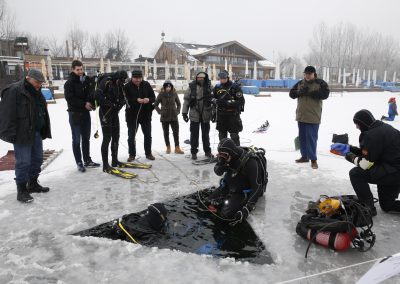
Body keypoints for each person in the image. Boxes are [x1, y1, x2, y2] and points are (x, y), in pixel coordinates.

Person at [330, 109, 400, 215]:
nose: (356, 127)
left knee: (355, 173)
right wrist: (350, 148)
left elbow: (365, 164)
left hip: (391, 172)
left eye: (357, 124)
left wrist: (348, 155)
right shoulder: (383, 128)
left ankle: (367, 208)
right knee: (387, 206)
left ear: (362, 123)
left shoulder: (371, 135)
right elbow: (372, 153)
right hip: (393, 170)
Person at [0, 70, 51, 203]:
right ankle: (21, 190)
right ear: (28, 78)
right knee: (23, 162)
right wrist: (9, 134)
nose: (39, 85)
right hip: (21, 134)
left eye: (40, 83)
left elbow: (41, 110)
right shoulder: (14, 90)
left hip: (36, 132)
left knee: (38, 159)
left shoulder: (36, 91)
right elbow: (6, 114)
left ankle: (32, 183)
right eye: (37, 82)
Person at [206, 138, 268, 226]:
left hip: (243, 192)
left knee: (225, 215)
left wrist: (248, 208)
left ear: (231, 153)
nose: (222, 158)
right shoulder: (225, 155)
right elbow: (217, 170)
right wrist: (221, 166)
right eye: (220, 155)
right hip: (229, 185)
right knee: (209, 201)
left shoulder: (250, 162)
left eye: (225, 156)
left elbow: (257, 186)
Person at [289, 66, 330, 169]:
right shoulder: (300, 83)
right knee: (302, 138)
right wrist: (299, 92)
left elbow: (326, 94)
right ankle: (304, 156)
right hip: (301, 116)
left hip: (313, 116)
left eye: (309, 74)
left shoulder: (320, 83)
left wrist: (312, 93)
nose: (307, 75)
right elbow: (291, 94)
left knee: (311, 138)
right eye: (306, 74)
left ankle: (313, 159)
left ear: (314, 74)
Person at [64, 60, 100, 172]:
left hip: (85, 114)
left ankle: (87, 160)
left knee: (86, 138)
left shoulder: (87, 80)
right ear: (73, 70)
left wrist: (93, 104)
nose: (80, 71)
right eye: (77, 70)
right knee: (76, 140)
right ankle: (79, 162)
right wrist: (84, 104)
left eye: (81, 69)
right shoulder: (69, 83)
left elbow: (91, 94)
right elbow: (70, 99)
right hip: (74, 114)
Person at [96, 70, 127, 172]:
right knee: (107, 138)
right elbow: (98, 97)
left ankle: (114, 160)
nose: (122, 83)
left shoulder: (120, 84)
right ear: (116, 78)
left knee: (116, 137)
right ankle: (105, 165)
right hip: (105, 113)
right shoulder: (105, 82)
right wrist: (110, 104)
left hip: (114, 113)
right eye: (121, 81)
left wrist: (120, 104)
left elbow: (123, 97)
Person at [124, 69, 156, 161]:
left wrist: (148, 100)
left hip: (146, 114)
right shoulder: (127, 86)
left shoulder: (146, 85)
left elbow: (153, 97)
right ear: (132, 77)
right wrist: (136, 100)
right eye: (135, 78)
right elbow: (125, 100)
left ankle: (148, 153)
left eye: (139, 78)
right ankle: (132, 154)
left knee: (148, 135)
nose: (138, 80)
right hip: (132, 116)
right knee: (131, 136)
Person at [182, 71, 213, 160]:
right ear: (196, 78)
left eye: (202, 78)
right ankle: (193, 152)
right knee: (194, 134)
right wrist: (184, 112)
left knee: (205, 134)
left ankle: (207, 151)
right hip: (194, 113)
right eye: (198, 78)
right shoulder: (191, 87)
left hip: (206, 114)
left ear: (205, 78)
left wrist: (214, 114)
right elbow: (186, 100)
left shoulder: (209, 87)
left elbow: (214, 100)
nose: (200, 79)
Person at [212, 70, 245, 146]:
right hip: (221, 115)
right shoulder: (217, 87)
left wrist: (228, 103)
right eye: (221, 78)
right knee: (222, 136)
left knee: (234, 136)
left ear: (227, 77)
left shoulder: (235, 87)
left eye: (224, 78)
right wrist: (215, 101)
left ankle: (237, 153)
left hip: (232, 115)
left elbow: (241, 101)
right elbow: (211, 98)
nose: (222, 79)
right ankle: (223, 153)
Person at [154, 80, 184, 154]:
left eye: (169, 86)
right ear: (164, 87)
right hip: (164, 117)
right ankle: (168, 147)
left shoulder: (174, 93)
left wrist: (177, 111)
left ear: (171, 87)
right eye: (167, 86)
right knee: (166, 133)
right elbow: (155, 104)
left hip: (174, 116)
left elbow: (179, 104)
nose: (168, 88)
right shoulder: (161, 94)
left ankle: (177, 147)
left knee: (176, 132)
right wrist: (160, 111)